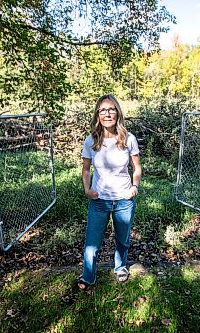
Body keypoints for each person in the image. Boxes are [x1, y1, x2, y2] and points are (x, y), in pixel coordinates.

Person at [77, 93, 142, 290]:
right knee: (92, 243)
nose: (107, 113)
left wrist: (134, 187)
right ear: (98, 115)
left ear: (117, 113)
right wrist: (87, 189)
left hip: (123, 200)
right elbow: (86, 169)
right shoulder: (91, 141)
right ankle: (88, 275)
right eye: (103, 110)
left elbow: (136, 168)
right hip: (99, 201)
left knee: (122, 239)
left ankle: (120, 267)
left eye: (111, 109)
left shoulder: (129, 139)